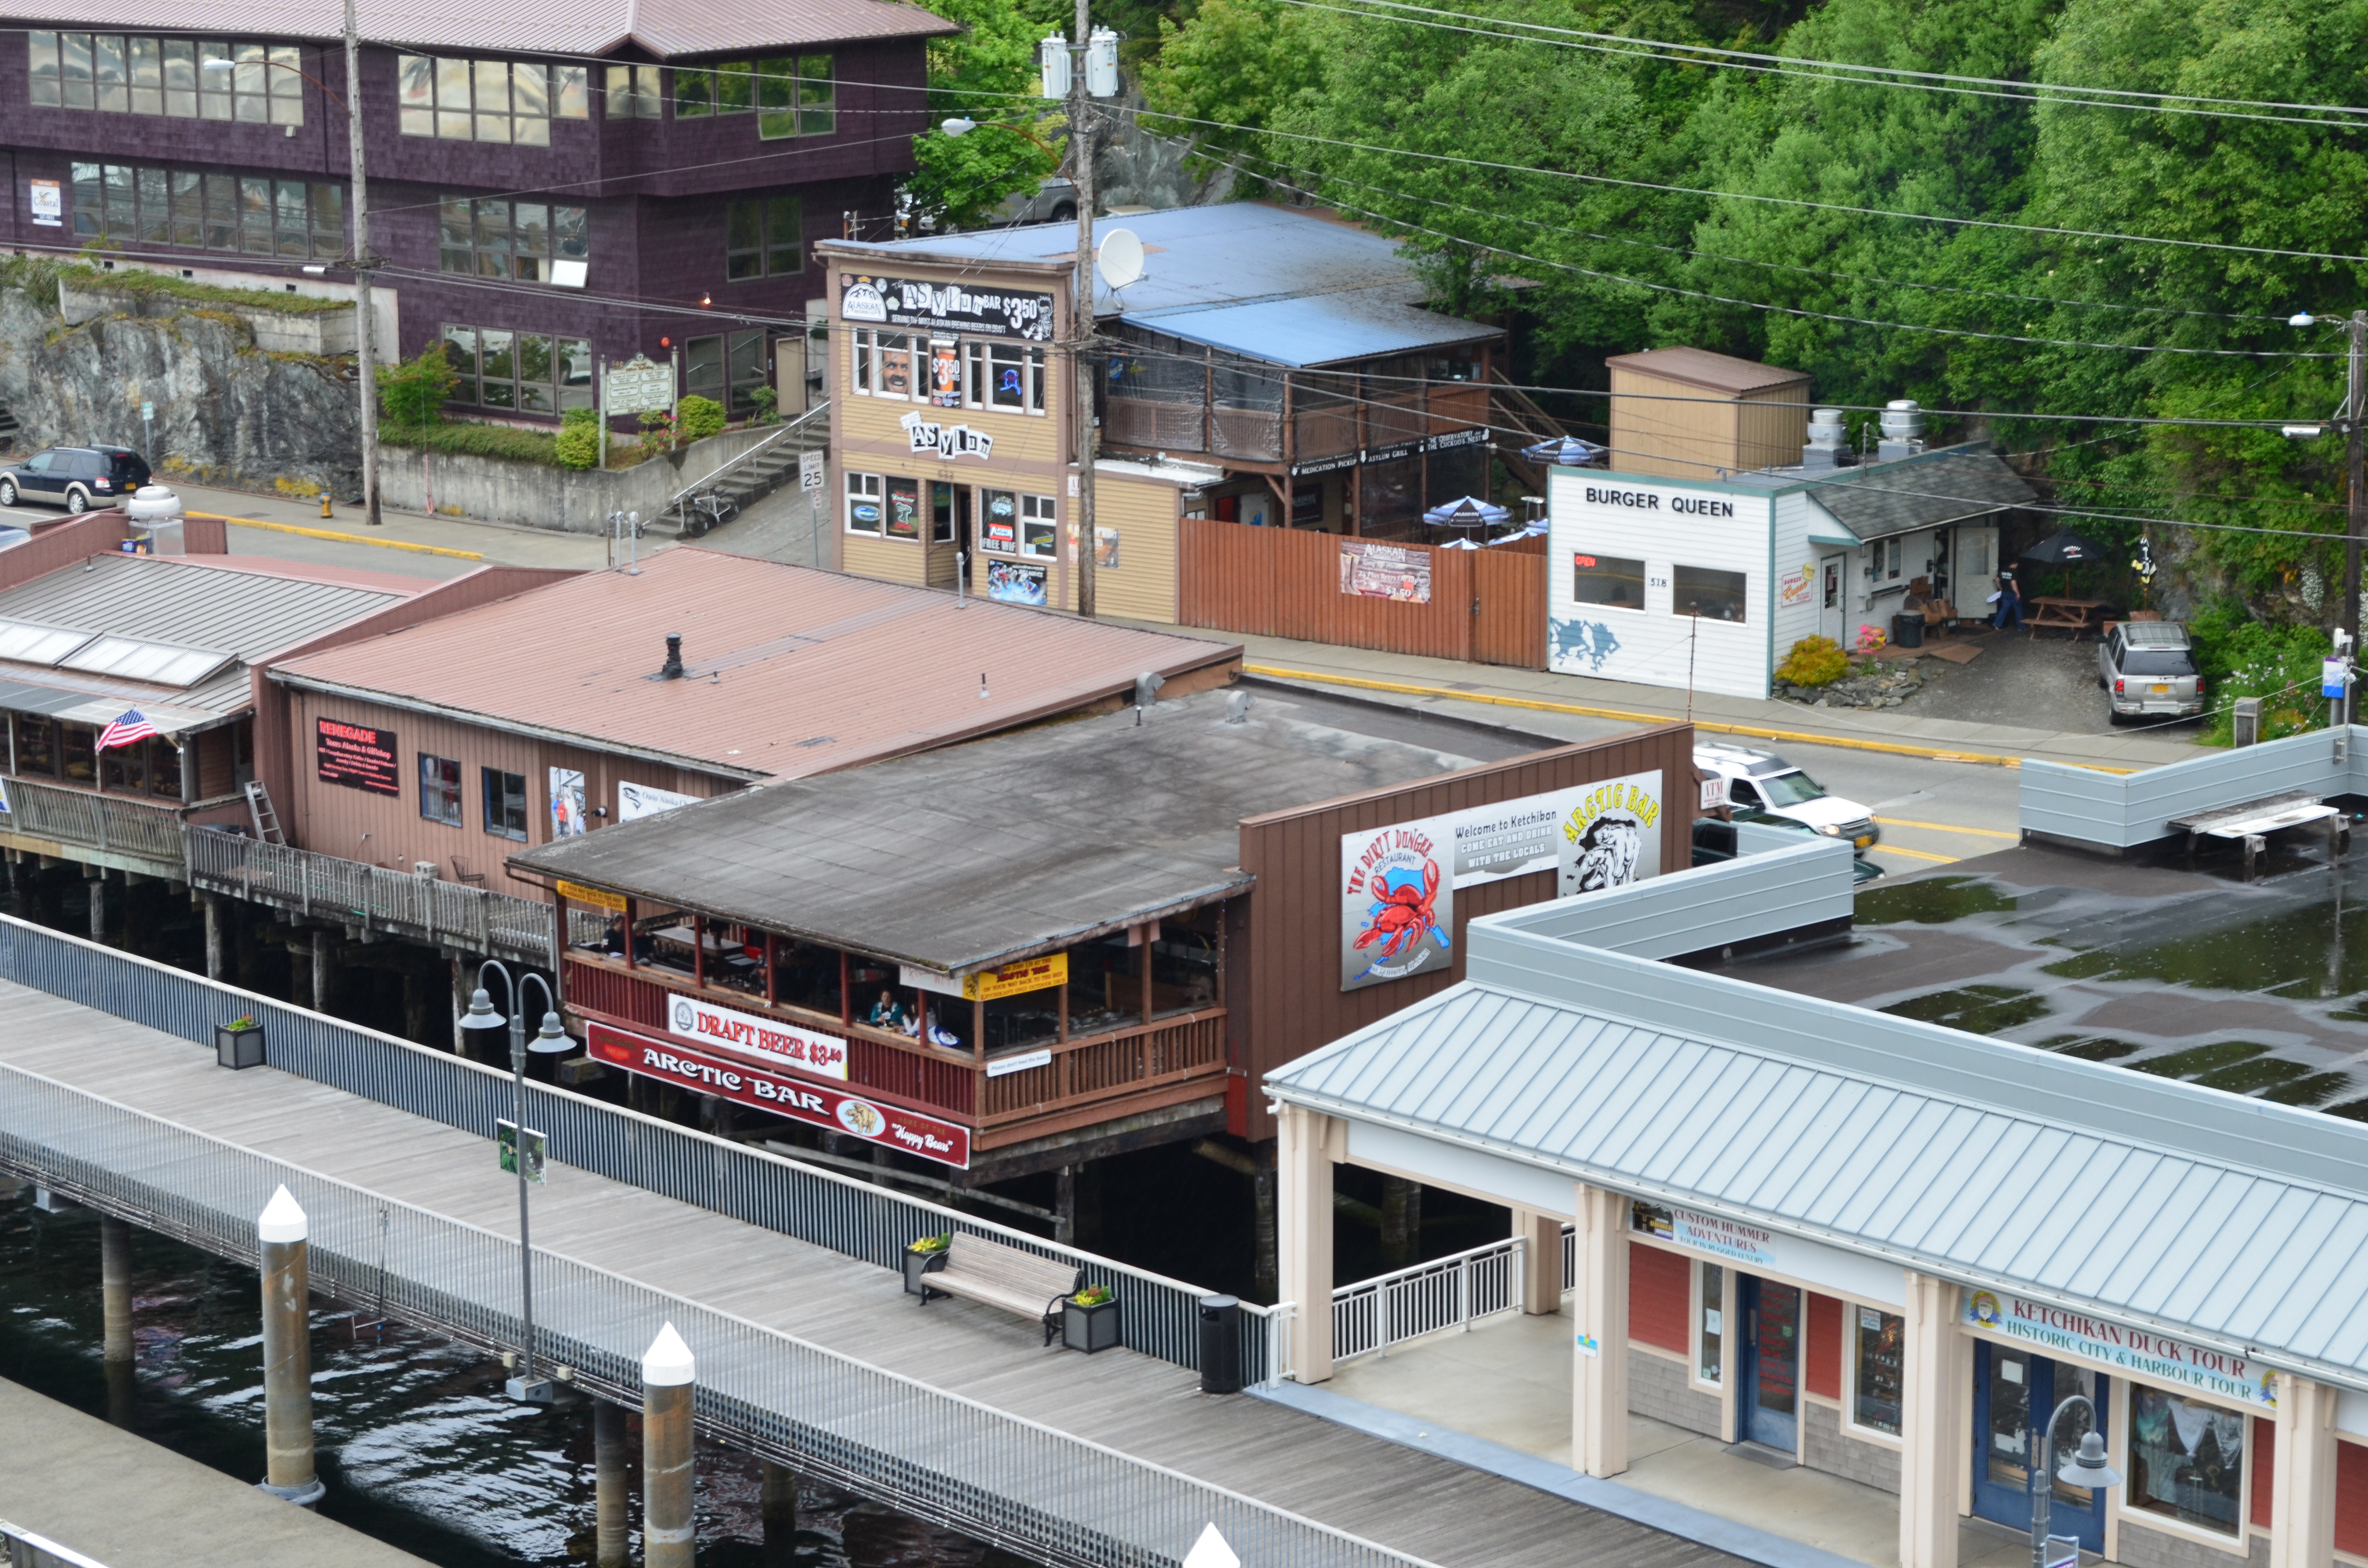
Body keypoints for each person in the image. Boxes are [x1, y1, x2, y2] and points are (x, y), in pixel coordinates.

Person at [1992, 564, 2023, 631]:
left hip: (2005, 593)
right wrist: (2018, 593)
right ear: (2015, 564)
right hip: (2012, 593)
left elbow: (1997, 580)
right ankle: (2021, 626)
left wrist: (2001, 588)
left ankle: (1997, 623)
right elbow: (2013, 583)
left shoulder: (2004, 570)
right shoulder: (2014, 572)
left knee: (2004, 609)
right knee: (2018, 610)